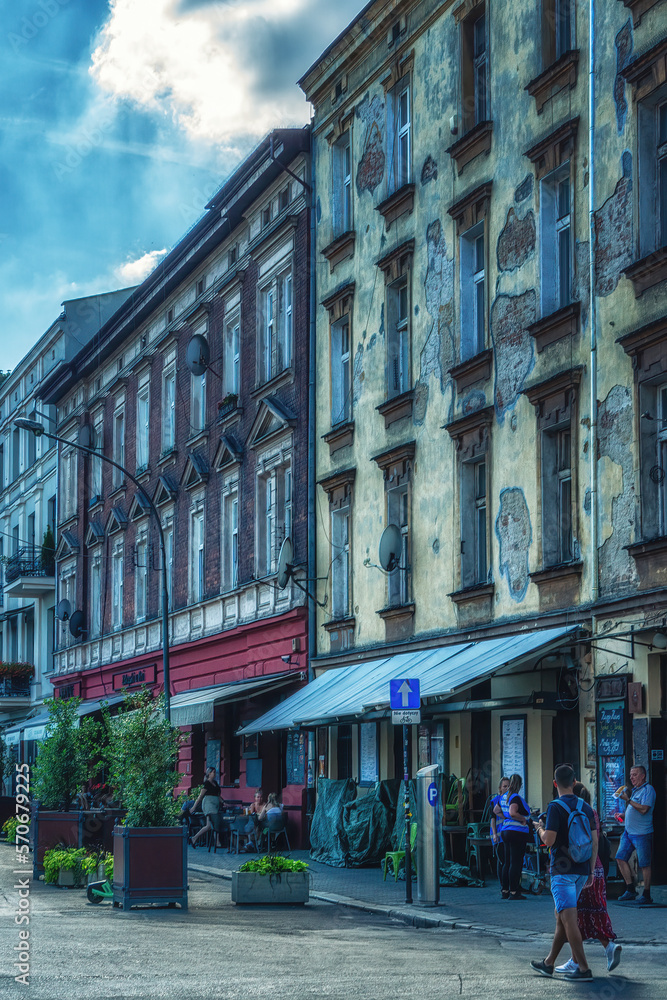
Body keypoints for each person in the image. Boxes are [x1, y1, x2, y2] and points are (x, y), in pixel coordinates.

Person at [531, 763, 598, 982]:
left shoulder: (555, 807)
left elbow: (548, 840)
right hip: (580, 869)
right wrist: (590, 869)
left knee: (569, 920)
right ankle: (549, 963)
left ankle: (584, 969)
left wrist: (539, 827)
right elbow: (594, 840)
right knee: (561, 917)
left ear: (554, 784)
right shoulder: (585, 806)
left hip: (561, 871)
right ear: (575, 782)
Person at [555, 782, 621, 975]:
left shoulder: (569, 811)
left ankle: (581, 960)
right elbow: (595, 842)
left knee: (574, 917)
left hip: (578, 870)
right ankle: (587, 955)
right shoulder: (592, 813)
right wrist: (593, 870)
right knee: (594, 911)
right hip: (596, 867)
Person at [615, 764, 656, 905]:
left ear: (643, 775)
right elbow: (633, 810)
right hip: (629, 833)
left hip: (642, 833)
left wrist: (628, 800)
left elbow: (644, 809)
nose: (632, 778)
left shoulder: (648, 790)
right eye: (631, 775)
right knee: (620, 858)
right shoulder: (636, 791)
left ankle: (646, 893)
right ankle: (630, 889)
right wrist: (623, 815)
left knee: (644, 864)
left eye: (635, 775)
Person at [496, 773, 531, 900]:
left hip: (506, 832)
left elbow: (496, 810)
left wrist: (505, 818)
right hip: (517, 832)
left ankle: (505, 890)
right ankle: (514, 891)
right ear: (520, 785)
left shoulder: (503, 796)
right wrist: (522, 819)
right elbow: (512, 812)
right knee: (515, 863)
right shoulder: (515, 797)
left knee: (507, 862)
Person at [189, 766, 223, 848]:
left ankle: (194, 838)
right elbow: (200, 796)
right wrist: (194, 807)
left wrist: (223, 802)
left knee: (209, 826)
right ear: (209, 773)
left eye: (215, 772)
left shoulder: (216, 784)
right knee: (215, 821)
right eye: (213, 772)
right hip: (208, 805)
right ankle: (217, 842)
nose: (214, 774)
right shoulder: (206, 784)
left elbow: (218, 796)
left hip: (215, 805)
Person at [490, 777, 510, 889]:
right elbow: (492, 818)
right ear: (500, 788)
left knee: (508, 861)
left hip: (508, 834)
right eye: (505, 786)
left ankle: (509, 885)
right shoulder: (495, 801)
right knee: (502, 861)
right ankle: (503, 886)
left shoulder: (511, 799)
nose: (507, 788)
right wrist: (494, 834)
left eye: (508, 786)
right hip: (498, 835)